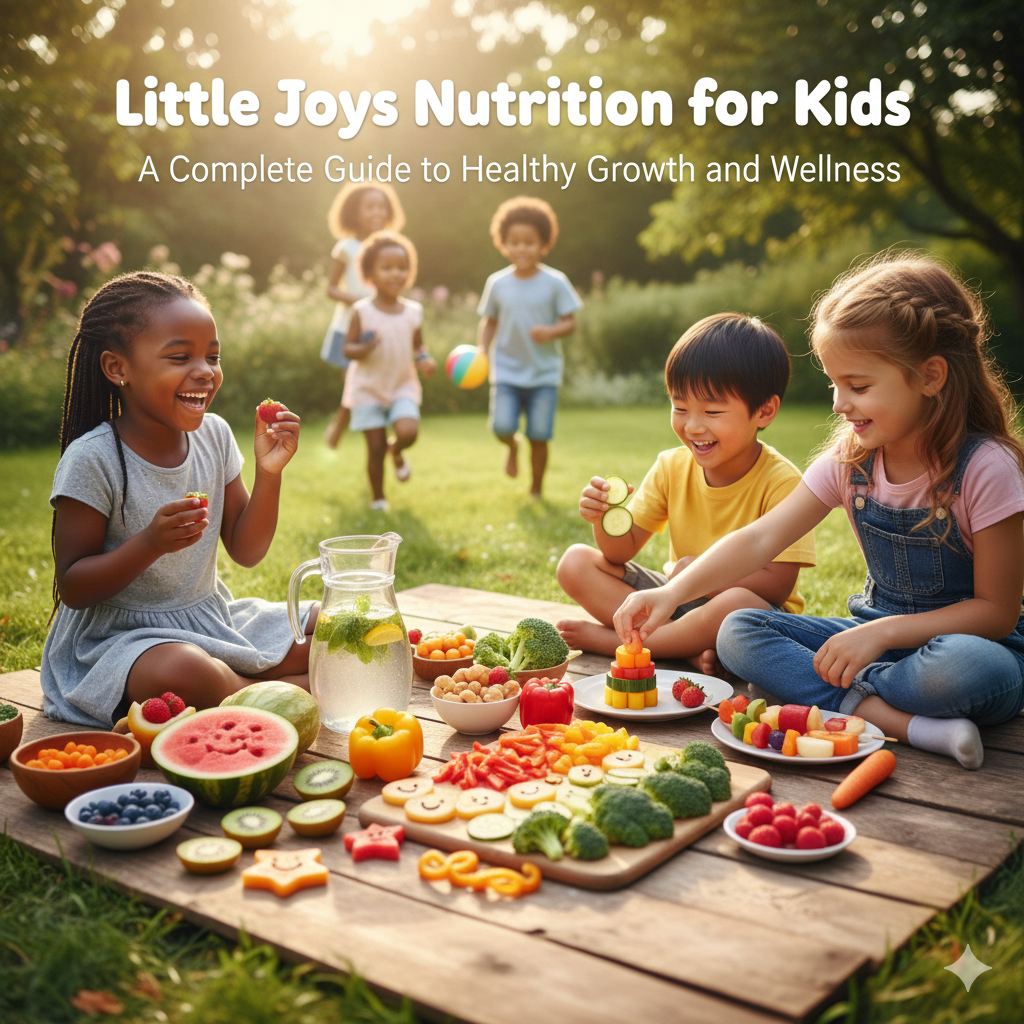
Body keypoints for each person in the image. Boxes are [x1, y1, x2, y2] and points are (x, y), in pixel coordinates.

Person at [614, 255, 1024, 769]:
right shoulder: (850, 461)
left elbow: (996, 612)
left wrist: (880, 634)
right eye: (834, 383)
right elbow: (761, 539)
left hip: (969, 649)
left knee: (965, 670)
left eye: (857, 385)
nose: (837, 404)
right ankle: (904, 723)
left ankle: (841, 694)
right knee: (738, 630)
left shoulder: (988, 467)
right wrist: (671, 591)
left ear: (930, 376)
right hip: (872, 643)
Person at [41, 271, 317, 729]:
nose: (205, 371)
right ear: (118, 368)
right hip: (121, 641)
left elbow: (247, 551)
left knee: (336, 624)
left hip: (208, 619)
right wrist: (150, 542)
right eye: (179, 356)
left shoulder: (215, 435)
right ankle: (294, 691)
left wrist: (269, 474)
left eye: (212, 356)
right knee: (184, 672)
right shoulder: (93, 458)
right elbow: (73, 586)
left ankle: (265, 686)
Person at [557, 313, 816, 674]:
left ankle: (619, 642)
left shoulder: (782, 481)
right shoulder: (671, 466)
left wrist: (701, 575)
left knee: (736, 602)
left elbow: (777, 585)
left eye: (711, 410)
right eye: (680, 407)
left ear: (764, 411)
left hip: (744, 615)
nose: (692, 426)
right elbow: (620, 552)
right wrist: (603, 520)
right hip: (674, 598)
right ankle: (686, 649)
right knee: (575, 562)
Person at [477, 196, 582, 497]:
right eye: (514, 242)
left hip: (543, 374)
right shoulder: (497, 283)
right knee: (501, 426)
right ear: (503, 244)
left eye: (529, 242)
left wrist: (551, 331)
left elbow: (570, 322)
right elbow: (490, 322)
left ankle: (536, 488)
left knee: (539, 435)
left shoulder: (555, 281)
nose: (521, 248)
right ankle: (511, 446)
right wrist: (482, 350)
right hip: (506, 371)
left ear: (544, 244)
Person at [342, 231, 436, 511]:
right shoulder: (362, 311)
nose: (395, 273)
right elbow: (347, 349)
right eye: (386, 268)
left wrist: (425, 359)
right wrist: (364, 348)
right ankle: (379, 499)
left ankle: (397, 451)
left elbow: (419, 346)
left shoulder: (413, 312)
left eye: (401, 267)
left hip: (401, 385)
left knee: (408, 432)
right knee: (374, 447)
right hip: (367, 388)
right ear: (370, 272)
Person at [321, 182, 405, 449]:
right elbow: (331, 289)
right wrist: (360, 302)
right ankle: (341, 425)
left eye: (382, 207)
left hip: (382, 328)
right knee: (356, 387)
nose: (376, 212)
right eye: (370, 207)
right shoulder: (346, 247)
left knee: (383, 387)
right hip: (349, 329)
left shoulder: (389, 247)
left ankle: (396, 442)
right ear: (355, 213)